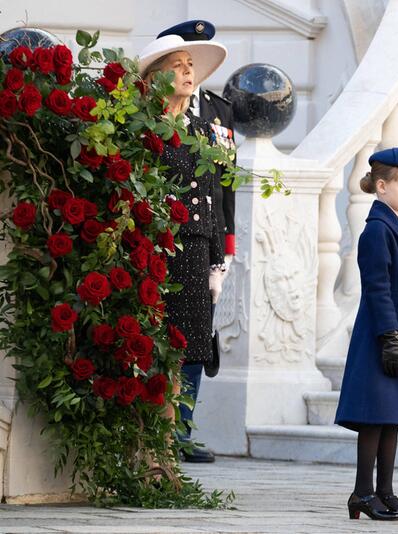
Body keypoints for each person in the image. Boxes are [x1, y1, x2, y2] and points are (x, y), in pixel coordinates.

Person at [137, 30, 228, 458]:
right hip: (156, 248)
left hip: (193, 252)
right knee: (154, 346)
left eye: (190, 66)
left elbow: (213, 197)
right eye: (178, 65)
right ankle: (147, 440)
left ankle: (174, 440)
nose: (188, 72)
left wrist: (217, 264)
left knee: (187, 349)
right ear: (155, 76)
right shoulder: (143, 124)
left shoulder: (202, 129)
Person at [334, 147, 398, 521]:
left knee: (391, 417)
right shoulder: (377, 230)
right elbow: (377, 288)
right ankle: (362, 493)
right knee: (374, 418)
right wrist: (389, 338)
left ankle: (385, 491)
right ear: (381, 186)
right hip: (383, 334)